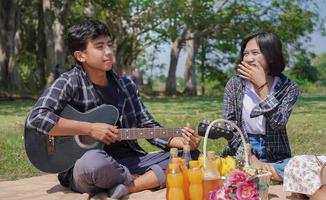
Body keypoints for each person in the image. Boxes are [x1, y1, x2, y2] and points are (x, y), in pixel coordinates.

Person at [26, 19, 200, 199]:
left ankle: (129, 187)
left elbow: (146, 126)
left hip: (129, 160)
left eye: (109, 44)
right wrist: (89, 129)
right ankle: (138, 180)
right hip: (86, 165)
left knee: (191, 156)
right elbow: (37, 117)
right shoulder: (69, 82)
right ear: (81, 56)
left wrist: (183, 141)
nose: (108, 51)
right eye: (99, 46)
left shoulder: (126, 85)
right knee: (94, 163)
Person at [221, 31, 299, 181]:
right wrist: (250, 157)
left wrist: (263, 87)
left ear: (271, 56)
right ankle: (263, 173)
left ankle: (265, 172)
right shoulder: (235, 84)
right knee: (217, 165)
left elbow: (278, 123)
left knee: (302, 166)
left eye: (255, 53)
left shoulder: (289, 88)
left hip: (276, 155)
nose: (248, 59)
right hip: (242, 148)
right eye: (245, 54)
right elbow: (230, 127)